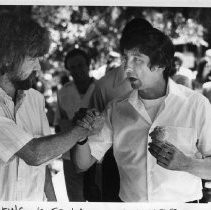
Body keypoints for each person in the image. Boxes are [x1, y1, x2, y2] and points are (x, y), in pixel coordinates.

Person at [73, 18, 211, 202]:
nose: (127, 67)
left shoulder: (196, 105)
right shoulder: (115, 109)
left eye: (137, 59)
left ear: (160, 64)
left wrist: (186, 164)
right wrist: (81, 136)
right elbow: (82, 164)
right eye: (125, 59)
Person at [0, 13, 104, 201]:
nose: (39, 67)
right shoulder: (63, 92)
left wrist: (53, 202)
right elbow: (34, 154)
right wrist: (82, 129)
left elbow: (43, 162)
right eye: (33, 58)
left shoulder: (36, 99)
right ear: (8, 59)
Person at [89, 18, 153, 201]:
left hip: (158, 170)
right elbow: (92, 135)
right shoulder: (105, 86)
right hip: (114, 168)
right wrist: (91, 180)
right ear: (122, 47)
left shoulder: (167, 83)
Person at [54, 48, 96, 201]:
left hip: (97, 154)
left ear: (88, 64)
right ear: (68, 69)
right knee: (75, 200)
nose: (77, 70)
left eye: (80, 65)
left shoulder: (100, 88)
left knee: (97, 199)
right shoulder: (63, 92)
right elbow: (58, 125)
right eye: (73, 67)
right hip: (70, 156)